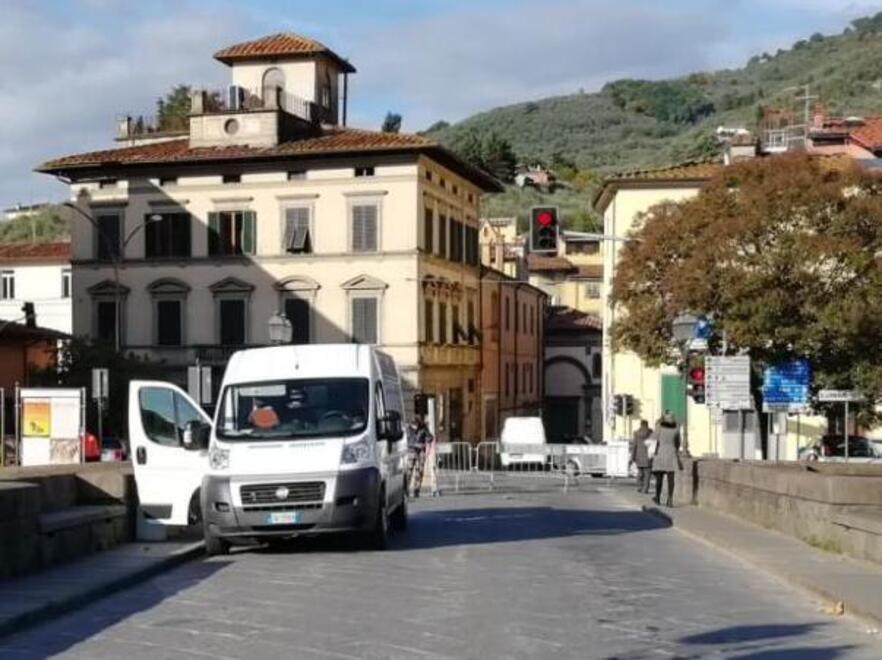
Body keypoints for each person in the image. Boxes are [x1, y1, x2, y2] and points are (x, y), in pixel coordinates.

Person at [651, 411, 683, 507]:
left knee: (659, 477)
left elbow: (654, 438)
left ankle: (657, 497)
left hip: (661, 452)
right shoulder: (676, 428)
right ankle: (670, 499)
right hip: (671, 452)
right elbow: (678, 442)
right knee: (671, 478)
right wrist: (675, 449)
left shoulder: (659, 426)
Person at [406, 416, 432, 498]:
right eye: (414, 424)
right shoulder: (408, 429)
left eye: (416, 424)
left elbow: (430, 437)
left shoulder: (423, 428)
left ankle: (416, 490)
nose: (415, 426)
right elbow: (406, 441)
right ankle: (405, 490)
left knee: (419, 471)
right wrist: (414, 445)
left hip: (421, 452)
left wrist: (427, 441)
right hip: (411, 451)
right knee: (409, 472)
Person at [630, 419, 653, 494]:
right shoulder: (651, 433)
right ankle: (645, 489)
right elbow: (654, 445)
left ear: (641, 425)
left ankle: (640, 486)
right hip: (648, 456)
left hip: (638, 456)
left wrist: (632, 457)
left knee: (640, 472)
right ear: (647, 425)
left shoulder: (636, 433)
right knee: (647, 474)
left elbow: (634, 446)